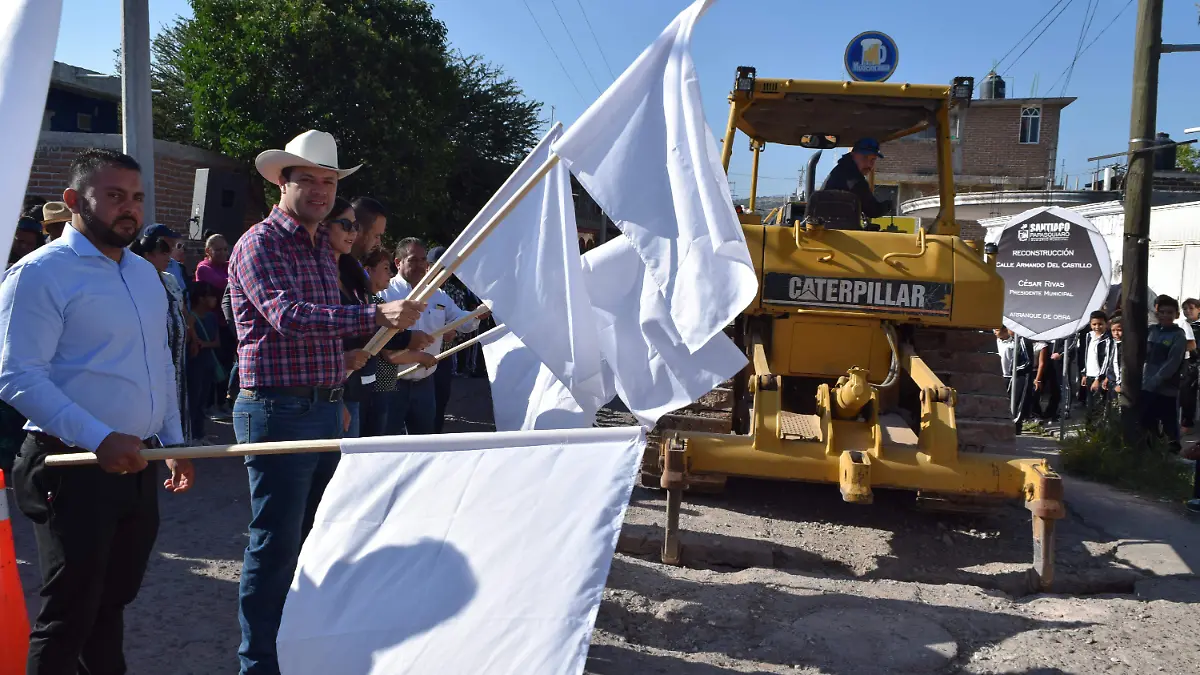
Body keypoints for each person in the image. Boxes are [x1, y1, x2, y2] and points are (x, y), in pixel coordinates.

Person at [228, 129, 424, 675]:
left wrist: (343, 376)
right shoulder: (260, 242)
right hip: (277, 409)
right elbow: (286, 316)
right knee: (276, 542)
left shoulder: (320, 247)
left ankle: (300, 647)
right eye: (309, 179)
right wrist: (374, 318)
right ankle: (260, 663)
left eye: (329, 180)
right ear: (282, 182)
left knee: (317, 537)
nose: (320, 190)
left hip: (319, 404)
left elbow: (315, 330)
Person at [0, 148, 194, 674]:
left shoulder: (143, 273)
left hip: (135, 465)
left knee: (111, 603)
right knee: (69, 614)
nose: (128, 209)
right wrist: (99, 437)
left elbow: (157, 364)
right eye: (113, 196)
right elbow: (16, 376)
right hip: (70, 466)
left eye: (135, 198)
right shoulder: (40, 274)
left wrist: (173, 445)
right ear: (73, 200)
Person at [381, 238, 485, 435]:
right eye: (413, 260)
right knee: (389, 444)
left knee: (425, 440)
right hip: (391, 383)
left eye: (423, 260)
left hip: (426, 382)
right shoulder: (385, 293)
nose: (421, 265)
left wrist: (476, 314)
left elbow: (461, 320)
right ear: (398, 262)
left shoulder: (438, 295)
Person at [131, 224, 192, 443]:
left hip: (176, 356)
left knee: (175, 398)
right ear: (147, 254)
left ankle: (176, 443)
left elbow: (182, 309)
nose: (169, 256)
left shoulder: (170, 278)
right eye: (163, 251)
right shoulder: (135, 281)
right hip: (154, 355)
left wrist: (190, 332)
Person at [1141, 295, 1188, 450]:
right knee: (1148, 419)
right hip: (1147, 384)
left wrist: (1156, 380)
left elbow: (1172, 363)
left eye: (1169, 312)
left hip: (1166, 387)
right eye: (1162, 312)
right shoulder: (1152, 331)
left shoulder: (1178, 335)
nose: (1165, 315)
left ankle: (1172, 454)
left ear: (1176, 314)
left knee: (1169, 421)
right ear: (1157, 313)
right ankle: (1152, 451)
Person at [820, 138, 892, 219]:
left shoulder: (840, 170)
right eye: (864, 158)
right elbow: (873, 211)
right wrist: (889, 205)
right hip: (839, 228)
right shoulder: (854, 180)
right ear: (852, 155)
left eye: (873, 159)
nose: (869, 164)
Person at [187, 281, 223, 444]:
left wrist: (203, 344)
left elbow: (217, 342)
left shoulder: (211, 317)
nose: (214, 299)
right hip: (194, 366)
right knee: (194, 401)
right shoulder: (189, 318)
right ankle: (193, 434)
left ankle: (200, 433)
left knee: (202, 401)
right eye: (211, 296)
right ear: (201, 298)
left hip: (208, 363)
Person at [1076, 311, 1114, 420]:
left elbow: (1107, 360)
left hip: (1099, 377)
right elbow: (1086, 355)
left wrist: (1099, 378)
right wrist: (1084, 373)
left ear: (1106, 324)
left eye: (1100, 324)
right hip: (1089, 375)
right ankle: (1090, 432)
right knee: (1089, 405)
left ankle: (1097, 432)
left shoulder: (1107, 339)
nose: (1097, 327)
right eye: (1094, 324)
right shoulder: (1089, 336)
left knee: (1098, 406)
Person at [1178, 298, 1200, 433]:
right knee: (1184, 394)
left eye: (1191, 308)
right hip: (1185, 363)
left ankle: (1188, 423)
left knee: (1189, 394)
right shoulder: (1182, 325)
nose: (1187, 311)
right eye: (1185, 309)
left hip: (1195, 363)